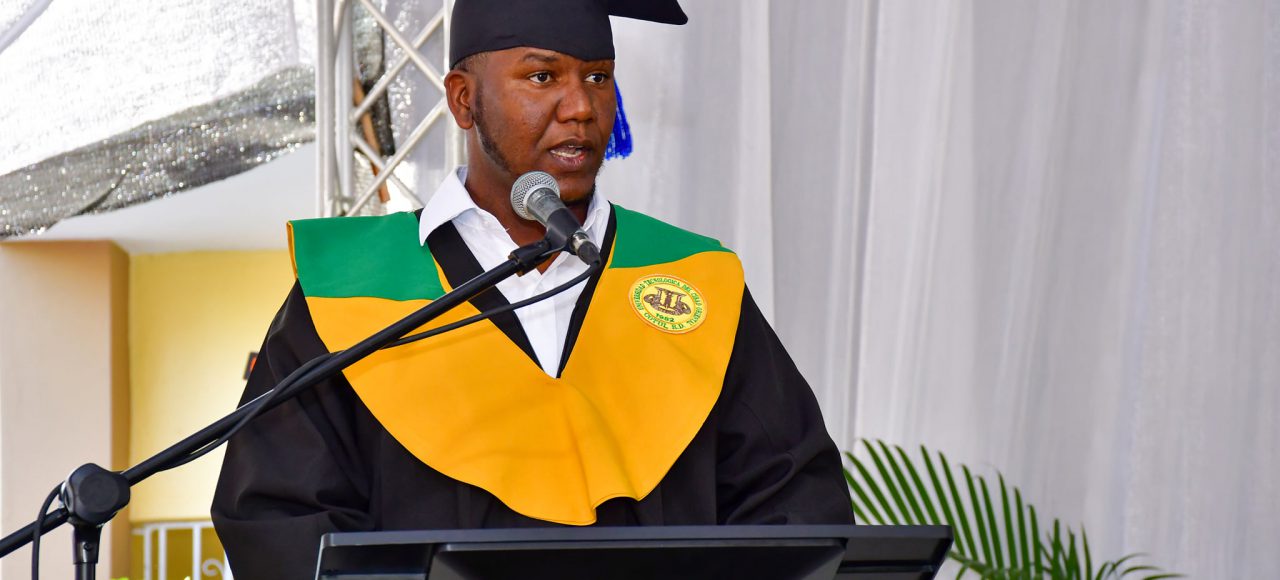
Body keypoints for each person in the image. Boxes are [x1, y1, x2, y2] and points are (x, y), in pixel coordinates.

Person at [211, 0, 853, 577]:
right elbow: (280, 516)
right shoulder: (350, 291)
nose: (580, 107)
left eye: (597, 77)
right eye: (543, 77)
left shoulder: (691, 282)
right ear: (463, 99)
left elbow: (795, 502)